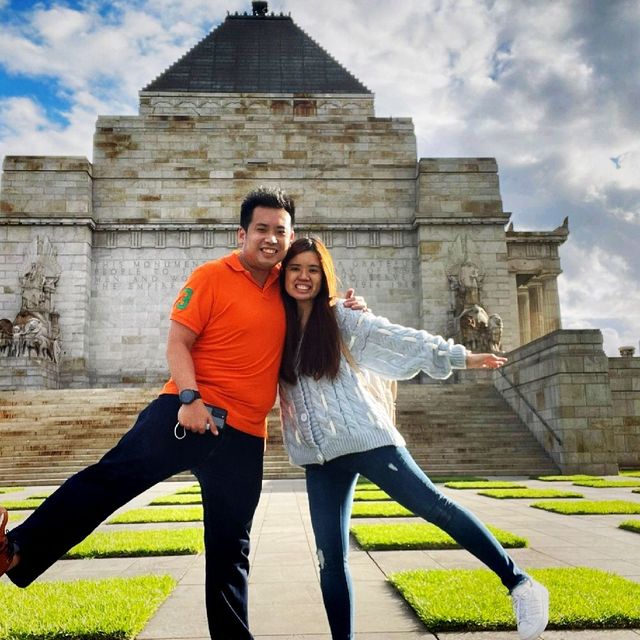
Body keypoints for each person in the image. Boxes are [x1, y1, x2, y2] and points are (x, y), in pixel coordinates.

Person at [0, 187, 363, 640]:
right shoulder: (211, 276)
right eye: (262, 230)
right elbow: (178, 341)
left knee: (232, 550)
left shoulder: (289, 293)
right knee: (109, 481)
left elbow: (321, 310)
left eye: (280, 232)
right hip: (185, 414)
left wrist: (351, 310)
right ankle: (16, 550)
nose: (271, 239)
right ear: (242, 234)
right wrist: (190, 399)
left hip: (246, 436)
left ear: (291, 238)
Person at [277, 237, 550, 640]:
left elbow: (395, 337)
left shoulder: (340, 318)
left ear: (324, 277)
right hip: (319, 459)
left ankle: (521, 584)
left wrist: (461, 356)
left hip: (368, 439)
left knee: (435, 507)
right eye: (296, 268)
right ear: (283, 274)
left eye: (313, 270)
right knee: (329, 559)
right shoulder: (273, 327)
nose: (303, 277)